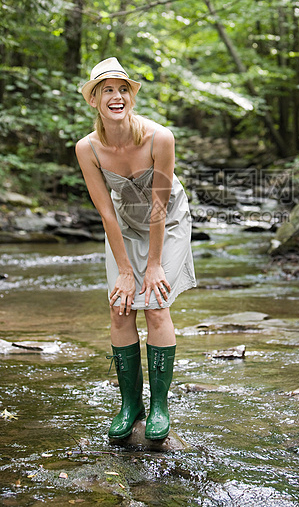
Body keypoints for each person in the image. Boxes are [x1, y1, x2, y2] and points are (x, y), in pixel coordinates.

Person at [76, 57, 196, 441]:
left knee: (156, 305)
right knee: (119, 305)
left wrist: (154, 265)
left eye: (123, 89)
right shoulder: (87, 148)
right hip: (125, 224)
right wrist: (126, 269)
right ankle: (131, 405)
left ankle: (160, 407)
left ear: (131, 96)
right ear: (94, 100)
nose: (117, 96)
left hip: (169, 222)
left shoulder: (160, 138)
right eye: (107, 90)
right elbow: (106, 213)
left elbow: (160, 208)